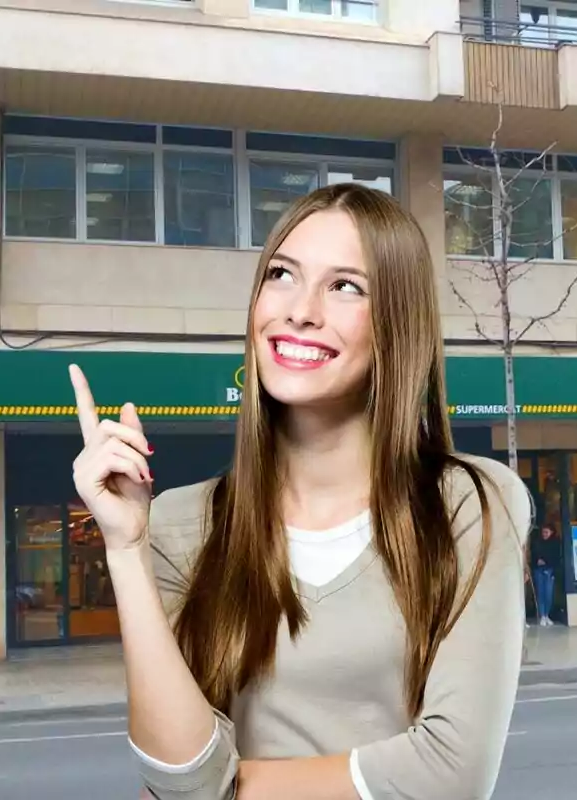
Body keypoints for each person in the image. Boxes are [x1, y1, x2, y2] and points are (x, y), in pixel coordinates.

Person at [69, 183, 532, 800]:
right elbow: (177, 780)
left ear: (399, 323)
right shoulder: (179, 525)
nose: (301, 310)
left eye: (346, 286)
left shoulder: (470, 504)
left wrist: (231, 789)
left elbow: (450, 774)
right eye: (282, 275)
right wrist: (126, 548)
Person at [530, 525, 559, 626]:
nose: (544, 534)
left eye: (547, 532)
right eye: (543, 532)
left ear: (551, 532)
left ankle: (547, 615)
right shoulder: (537, 543)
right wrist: (538, 561)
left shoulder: (555, 543)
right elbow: (533, 554)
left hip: (549, 570)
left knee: (548, 594)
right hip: (538, 570)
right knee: (540, 593)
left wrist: (546, 561)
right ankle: (542, 615)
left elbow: (556, 557)